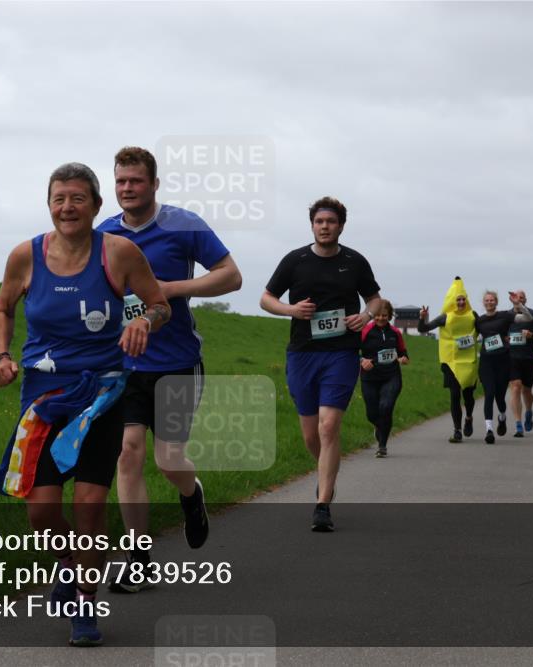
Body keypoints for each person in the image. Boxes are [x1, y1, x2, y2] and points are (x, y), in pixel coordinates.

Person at [0, 163, 169, 647]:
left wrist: (143, 323)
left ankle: (86, 604)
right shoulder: (24, 256)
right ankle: (67, 565)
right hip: (45, 400)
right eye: (58, 198)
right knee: (41, 513)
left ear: (95, 204)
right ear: (48, 204)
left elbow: (159, 304)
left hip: (104, 396)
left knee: (90, 505)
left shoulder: (119, 253)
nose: (67, 207)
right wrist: (3, 355)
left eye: (77, 198)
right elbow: (4, 306)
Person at [96, 147, 241, 591]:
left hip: (177, 362)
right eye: (120, 181)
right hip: (125, 365)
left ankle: (190, 493)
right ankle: (139, 559)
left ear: (154, 184)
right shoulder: (102, 235)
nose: (127, 189)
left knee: (168, 458)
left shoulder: (184, 225)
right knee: (128, 452)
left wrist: (171, 288)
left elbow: (230, 276)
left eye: (136, 181)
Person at [261, 196, 381, 532]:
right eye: (319, 222)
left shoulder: (355, 262)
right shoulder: (295, 260)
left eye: (330, 222)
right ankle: (325, 472)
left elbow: (375, 298)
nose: (324, 227)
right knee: (312, 433)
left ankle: (322, 504)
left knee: (329, 427)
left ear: (341, 225)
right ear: (312, 225)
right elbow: (265, 298)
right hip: (302, 353)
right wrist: (291, 310)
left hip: (341, 352)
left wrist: (366, 315)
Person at [419, 277, 478, 443]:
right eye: (457, 299)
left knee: (468, 396)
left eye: (463, 299)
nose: (460, 302)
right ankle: (457, 430)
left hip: (468, 362)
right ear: (452, 301)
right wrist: (422, 317)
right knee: (454, 396)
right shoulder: (445, 317)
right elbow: (423, 329)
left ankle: (469, 417)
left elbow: (486, 329)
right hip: (450, 362)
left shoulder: (473, 316)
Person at [359, 299, 409, 457]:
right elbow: (353, 352)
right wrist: (362, 360)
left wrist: (403, 359)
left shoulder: (395, 333)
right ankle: (380, 428)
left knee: (386, 407)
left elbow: (403, 352)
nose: (381, 318)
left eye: (385, 315)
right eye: (378, 315)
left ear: (390, 316)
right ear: (373, 315)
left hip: (391, 376)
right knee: (372, 414)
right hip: (370, 378)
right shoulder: (365, 331)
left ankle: (382, 445)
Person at [506, 290, 533, 437]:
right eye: (516, 297)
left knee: (527, 391)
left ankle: (529, 411)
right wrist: (505, 338)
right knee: (516, 387)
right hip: (512, 358)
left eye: (522, 297)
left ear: (525, 300)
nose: (519, 299)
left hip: (529, 358)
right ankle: (518, 424)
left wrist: (532, 335)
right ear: (511, 299)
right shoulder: (507, 316)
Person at [475, 290, 516, 444]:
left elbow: (525, 318)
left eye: (492, 300)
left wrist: (517, 304)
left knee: (500, 398)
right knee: (489, 394)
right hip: (486, 362)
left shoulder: (505, 316)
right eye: (487, 300)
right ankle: (489, 430)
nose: (489, 302)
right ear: (483, 302)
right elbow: (469, 333)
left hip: (503, 361)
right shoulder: (479, 321)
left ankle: (502, 417)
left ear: (496, 302)